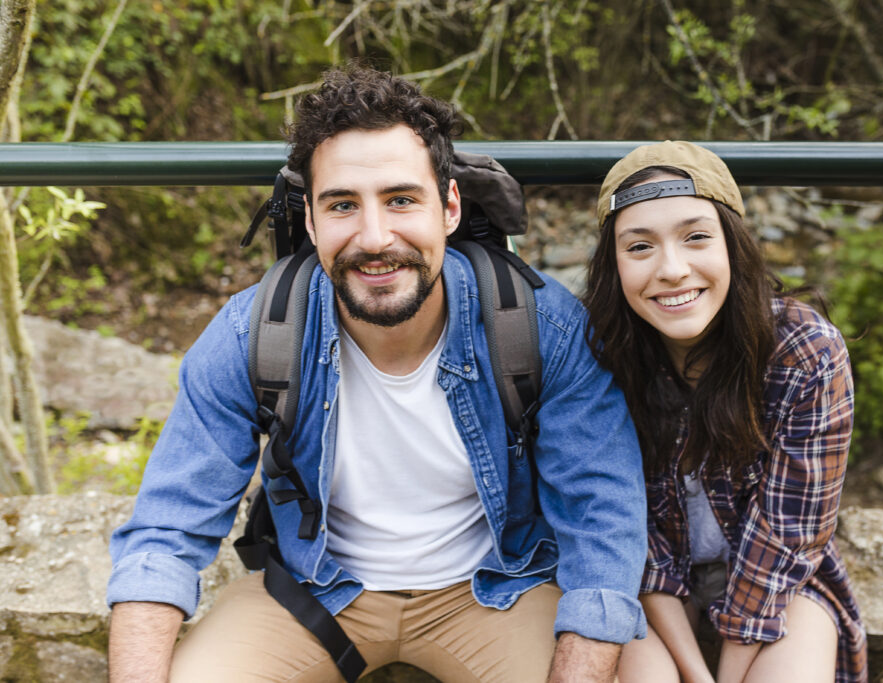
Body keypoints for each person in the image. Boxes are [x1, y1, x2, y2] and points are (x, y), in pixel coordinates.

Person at [106, 66, 647, 683]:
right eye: (342, 205)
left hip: (497, 589)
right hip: (311, 594)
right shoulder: (251, 333)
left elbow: (603, 516)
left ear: (448, 207)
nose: (374, 236)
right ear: (310, 222)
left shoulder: (540, 325)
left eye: (401, 199)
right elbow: (166, 530)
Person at [582, 141, 868, 683]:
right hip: (645, 588)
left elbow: (789, 533)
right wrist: (696, 673)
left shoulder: (805, 352)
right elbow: (629, 537)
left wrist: (730, 675)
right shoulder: (596, 353)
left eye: (695, 237)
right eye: (639, 246)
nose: (671, 269)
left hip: (779, 582)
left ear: (733, 245)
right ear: (613, 263)